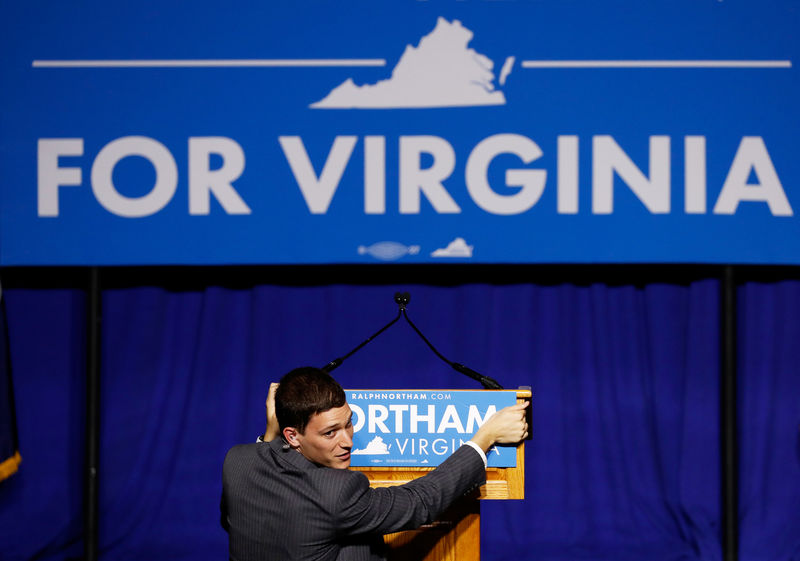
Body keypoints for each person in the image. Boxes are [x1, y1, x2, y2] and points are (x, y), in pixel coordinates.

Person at [221, 367, 528, 561]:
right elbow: (420, 502)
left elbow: (231, 520)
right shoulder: (336, 493)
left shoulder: (238, 461)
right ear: (293, 435)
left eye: (349, 423)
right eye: (330, 433)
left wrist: (272, 433)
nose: (347, 441)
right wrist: (486, 437)